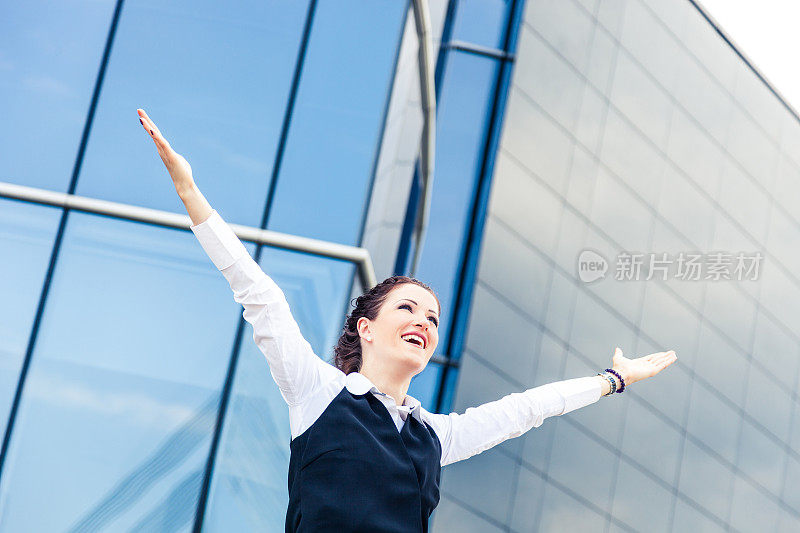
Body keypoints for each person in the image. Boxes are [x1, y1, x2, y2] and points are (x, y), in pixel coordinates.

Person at [137, 108, 678, 532]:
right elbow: (260, 294)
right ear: (366, 328)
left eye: (433, 317)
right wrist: (189, 191)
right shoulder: (318, 393)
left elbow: (527, 409)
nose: (424, 321)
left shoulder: (435, 436)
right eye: (407, 308)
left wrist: (613, 380)